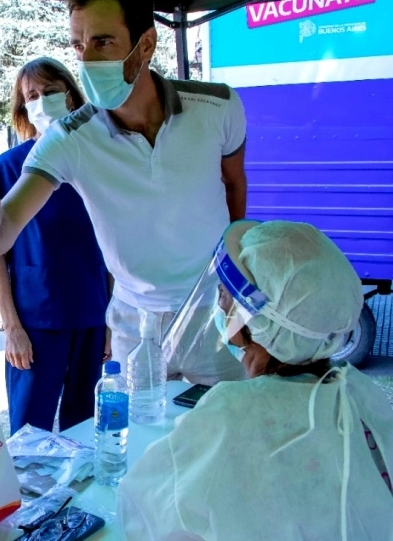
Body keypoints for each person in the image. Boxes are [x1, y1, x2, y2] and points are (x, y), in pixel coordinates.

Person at [0, 0, 249, 385]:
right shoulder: (68, 138)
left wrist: (231, 269)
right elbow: (5, 228)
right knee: (141, 444)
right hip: (135, 322)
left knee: (228, 435)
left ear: (147, 45)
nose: (86, 61)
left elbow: (233, 185)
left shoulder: (217, 106)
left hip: (214, 310)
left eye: (103, 42)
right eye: (79, 46)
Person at [117, 220, 393, 540]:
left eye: (225, 295)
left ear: (260, 320)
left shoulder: (230, 413)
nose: (220, 303)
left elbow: (143, 513)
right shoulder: (360, 393)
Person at [0, 57, 109, 434]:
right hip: (36, 324)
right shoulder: (11, 166)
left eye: (50, 92)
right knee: (29, 435)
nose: (42, 100)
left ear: (71, 95)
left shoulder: (97, 159)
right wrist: (12, 328)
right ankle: (30, 497)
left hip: (92, 316)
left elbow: (112, 246)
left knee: (85, 430)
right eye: (32, 95)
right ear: (23, 108)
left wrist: (113, 322)